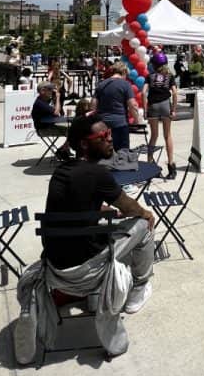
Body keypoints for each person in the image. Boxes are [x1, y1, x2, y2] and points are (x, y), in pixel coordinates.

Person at [42, 115, 155, 314]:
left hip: (55, 268)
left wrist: (99, 209)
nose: (110, 139)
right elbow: (129, 207)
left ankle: (73, 292)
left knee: (105, 224)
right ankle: (140, 286)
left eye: (109, 133)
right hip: (86, 271)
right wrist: (146, 213)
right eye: (103, 136)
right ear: (84, 144)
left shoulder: (61, 172)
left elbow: (69, 207)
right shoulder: (98, 174)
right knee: (145, 225)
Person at [91, 62, 142, 152]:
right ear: (124, 72)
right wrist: (136, 121)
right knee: (122, 154)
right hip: (120, 124)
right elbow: (133, 105)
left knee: (105, 152)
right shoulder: (125, 84)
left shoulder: (101, 84)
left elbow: (93, 105)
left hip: (103, 125)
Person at [143, 52, 178, 179]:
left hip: (153, 105)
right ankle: (171, 165)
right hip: (165, 105)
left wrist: (145, 110)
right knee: (167, 135)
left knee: (154, 135)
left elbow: (143, 92)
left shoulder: (150, 76)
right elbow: (174, 93)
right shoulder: (170, 76)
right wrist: (173, 109)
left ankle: (150, 163)